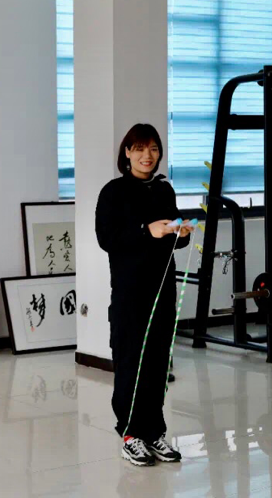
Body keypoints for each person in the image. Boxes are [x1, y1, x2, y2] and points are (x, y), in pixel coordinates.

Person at [95, 123, 190, 467]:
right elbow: (107, 239)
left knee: (158, 363)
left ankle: (153, 432)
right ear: (127, 153)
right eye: (139, 149)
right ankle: (130, 434)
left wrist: (180, 233)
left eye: (153, 149)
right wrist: (146, 231)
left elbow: (173, 239)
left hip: (162, 288)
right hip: (129, 292)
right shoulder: (113, 192)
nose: (147, 156)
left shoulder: (164, 190)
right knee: (131, 362)